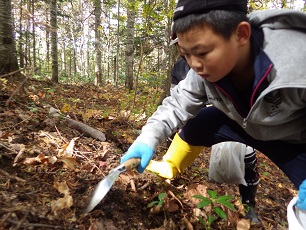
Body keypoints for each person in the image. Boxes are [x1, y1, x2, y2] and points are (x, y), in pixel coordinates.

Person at [121, 0, 306, 225]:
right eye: (185, 54)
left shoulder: (297, 62)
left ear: (241, 34)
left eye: (202, 52)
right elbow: (177, 104)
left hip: (294, 139)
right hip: (245, 124)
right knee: (199, 123)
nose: (194, 65)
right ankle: (170, 165)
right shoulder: (202, 70)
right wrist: (147, 139)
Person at [149, 37, 260, 222]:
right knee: (176, 138)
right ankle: (167, 183)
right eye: (181, 49)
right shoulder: (179, 68)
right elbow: (177, 99)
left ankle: (249, 204)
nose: (191, 58)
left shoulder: (225, 59)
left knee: (248, 155)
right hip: (194, 120)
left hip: (230, 118)